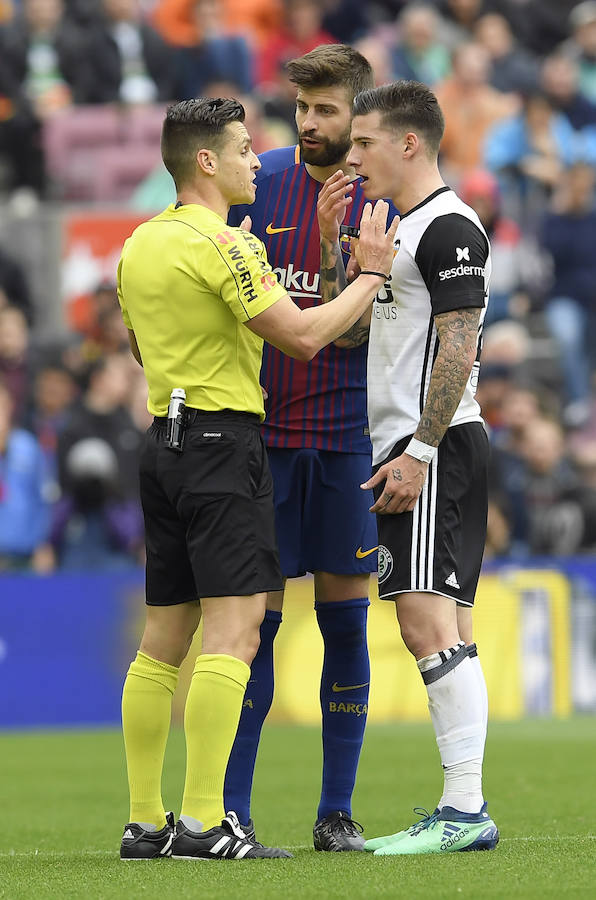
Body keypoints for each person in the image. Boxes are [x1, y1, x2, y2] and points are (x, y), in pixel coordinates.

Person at [116, 96, 397, 861]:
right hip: (222, 442)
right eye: (242, 149)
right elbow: (303, 338)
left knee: (160, 642)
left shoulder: (139, 244)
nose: (255, 160)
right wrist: (369, 276)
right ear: (205, 161)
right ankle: (207, 822)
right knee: (236, 635)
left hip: (162, 444)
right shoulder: (228, 246)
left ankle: (145, 821)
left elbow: (141, 350)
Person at [225, 43, 395, 852]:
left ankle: (336, 813)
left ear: (358, 115)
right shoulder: (255, 191)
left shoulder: (381, 207)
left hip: (345, 447)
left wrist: (336, 251)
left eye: (327, 110)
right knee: (251, 633)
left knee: (347, 631)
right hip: (265, 445)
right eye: (303, 108)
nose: (311, 123)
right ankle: (232, 812)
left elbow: (363, 331)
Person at [337, 79, 499, 854]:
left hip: (431, 445)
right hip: (412, 445)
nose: (352, 154)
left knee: (422, 620)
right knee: (447, 625)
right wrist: (358, 268)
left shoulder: (451, 228)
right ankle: (463, 807)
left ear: (408, 143)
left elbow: (461, 345)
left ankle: (464, 812)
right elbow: (347, 340)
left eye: (364, 141)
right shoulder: (398, 228)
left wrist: (420, 451)